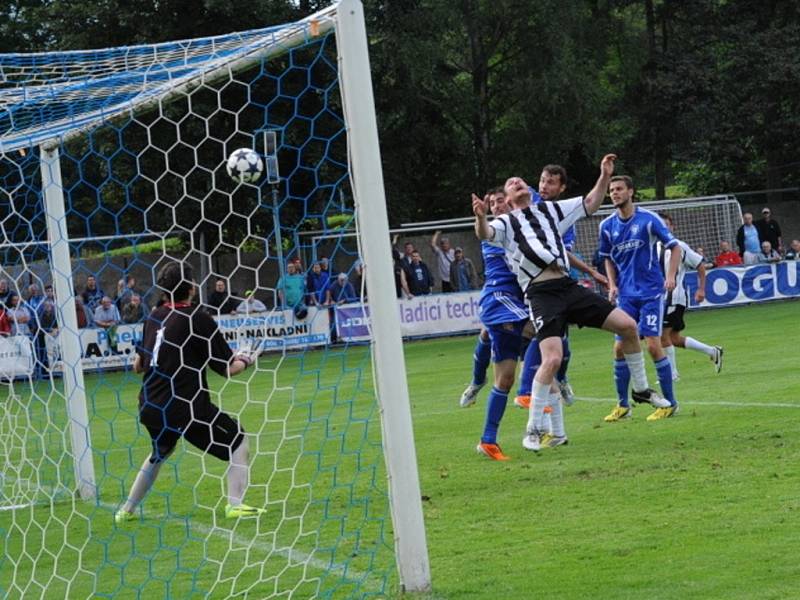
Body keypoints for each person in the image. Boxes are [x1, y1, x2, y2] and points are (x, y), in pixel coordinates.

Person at [474, 154, 669, 452]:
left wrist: (604, 175)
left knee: (629, 327)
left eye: (519, 181)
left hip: (567, 285)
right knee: (551, 359)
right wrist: (479, 217)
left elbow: (590, 203)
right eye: (511, 184)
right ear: (509, 199)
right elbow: (485, 233)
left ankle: (641, 389)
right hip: (541, 294)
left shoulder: (549, 210)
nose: (517, 182)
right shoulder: (504, 222)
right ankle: (535, 429)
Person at [114, 261, 263, 524]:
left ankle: (126, 510)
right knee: (238, 440)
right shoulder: (197, 317)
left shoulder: (154, 316)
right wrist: (247, 359)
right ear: (192, 288)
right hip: (185, 405)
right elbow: (228, 369)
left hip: (150, 404)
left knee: (160, 452)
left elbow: (138, 366)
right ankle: (235, 505)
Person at [599, 176, 682, 423]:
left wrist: (670, 276)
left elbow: (674, 246)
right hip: (626, 295)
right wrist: (612, 284)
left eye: (619, 189)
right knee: (618, 348)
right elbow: (607, 258)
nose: (614, 193)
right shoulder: (606, 225)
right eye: (611, 190)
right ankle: (623, 405)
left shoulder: (649, 219)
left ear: (631, 192)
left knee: (654, 345)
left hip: (651, 292)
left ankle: (670, 404)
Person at [461, 188, 530, 460]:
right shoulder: (493, 231)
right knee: (541, 329)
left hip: (515, 300)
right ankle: (539, 389)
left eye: (500, 200)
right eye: (492, 203)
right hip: (499, 298)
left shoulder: (522, 224)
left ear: (509, 201)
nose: (497, 205)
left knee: (505, 377)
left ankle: (488, 440)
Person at [658, 214, 723, 381]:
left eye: (667, 225)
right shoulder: (653, 247)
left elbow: (700, 265)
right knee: (673, 338)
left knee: (662, 335)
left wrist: (701, 289)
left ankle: (672, 375)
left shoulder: (679, 246)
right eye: (660, 225)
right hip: (658, 298)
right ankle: (712, 351)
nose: (663, 228)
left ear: (673, 227)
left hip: (674, 296)